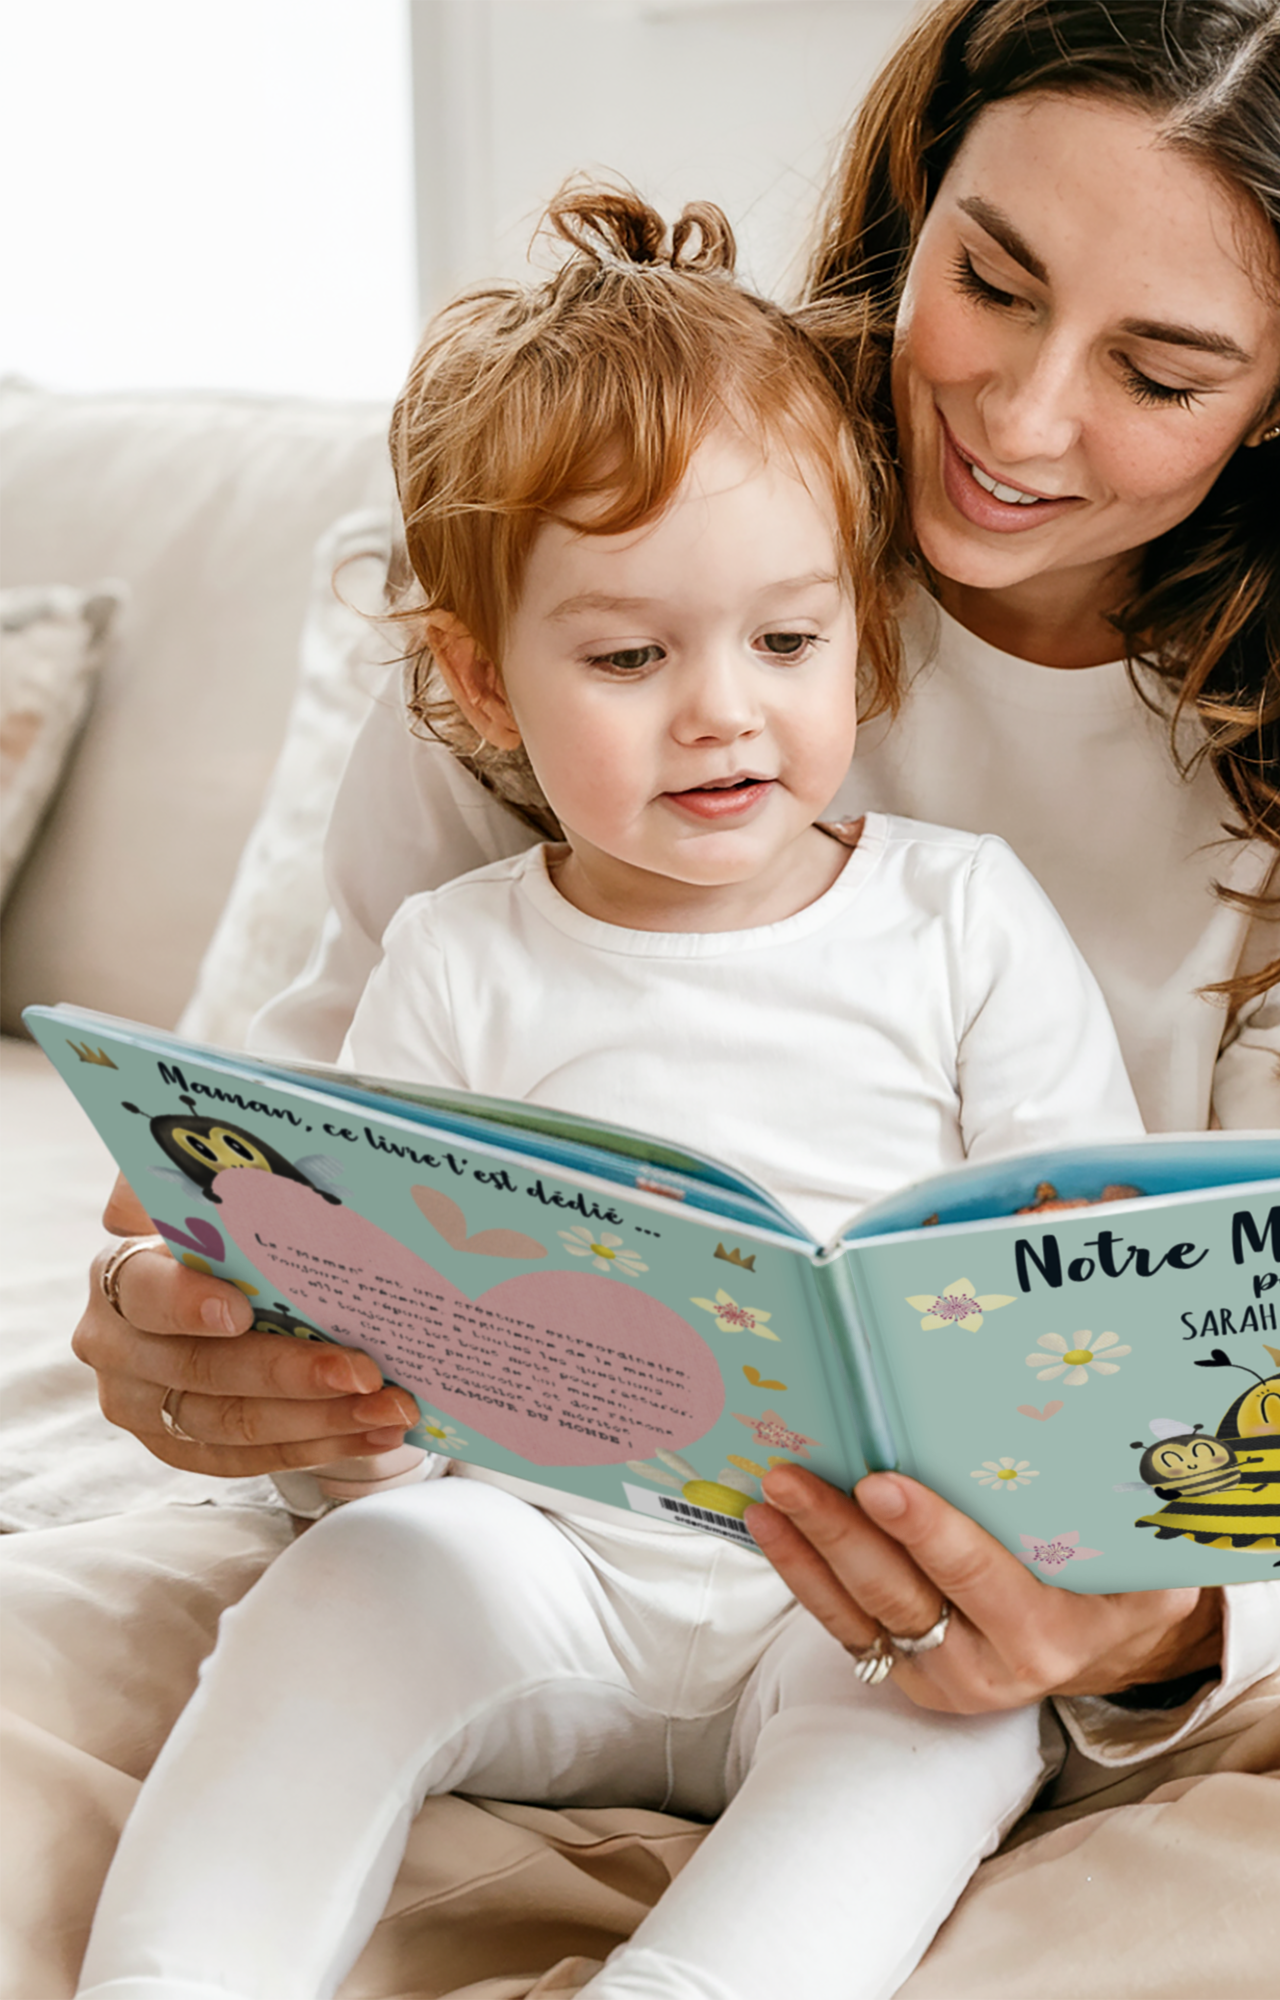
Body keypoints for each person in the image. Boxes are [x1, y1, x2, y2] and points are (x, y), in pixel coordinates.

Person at [21, 4, 1280, 1992]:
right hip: (512, 1580)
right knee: (161, 1668)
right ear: (917, 196)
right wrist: (211, 1340)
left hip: (1022, 1710)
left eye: (1158, 367)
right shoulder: (592, 515)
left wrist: (1129, 1627)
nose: (1022, 416)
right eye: (990, 277)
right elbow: (300, 1162)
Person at [77, 183, 1146, 2000]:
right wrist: (350, 1412)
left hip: (861, 1588)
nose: (722, 713)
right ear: (484, 685)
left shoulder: (961, 916)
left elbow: (1090, 1277)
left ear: (858, 637)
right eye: (632, 659)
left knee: (956, 1728)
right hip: (537, 1550)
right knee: (347, 1592)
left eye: (786, 644)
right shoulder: (452, 954)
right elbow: (386, 1340)